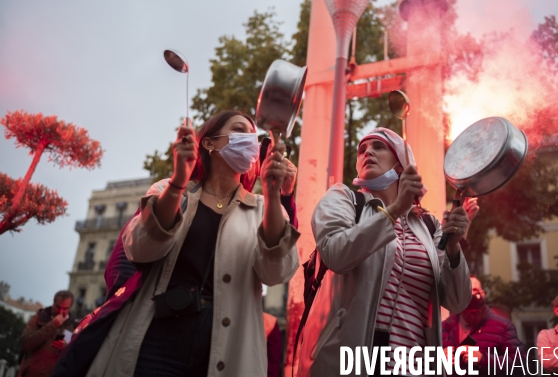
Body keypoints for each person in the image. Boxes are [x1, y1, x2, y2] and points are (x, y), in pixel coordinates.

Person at [84, 110, 299, 377]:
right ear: (208, 143)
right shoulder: (169, 190)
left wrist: (273, 192)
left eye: (254, 136)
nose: (251, 140)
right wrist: (178, 182)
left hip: (225, 343)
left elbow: (276, 273)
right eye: (240, 130)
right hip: (157, 336)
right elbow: (139, 248)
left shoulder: (263, 207)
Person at [296, 127, 472, 376]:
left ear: (401, 165)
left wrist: (453, 249)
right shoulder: (343, 198)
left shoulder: (429, 225)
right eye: (362, 149)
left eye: (378, 147)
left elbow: (457, 301)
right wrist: (395, 209)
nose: (367, 152)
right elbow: (335, 253)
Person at [442, 276, 524, 376]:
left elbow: (520, 366)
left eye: (474, 291)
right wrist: (439, 360)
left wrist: (483, 359)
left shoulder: (503, 327)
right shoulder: (444, 327)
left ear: (483, 294)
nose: (471, 295)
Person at [19, 290, 74, 377]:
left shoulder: (73, 326)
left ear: (70, 308)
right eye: (58, 307)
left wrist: (66, 347)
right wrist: (52, 325)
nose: (60, 311)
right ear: (53, 304)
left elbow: (74, 358)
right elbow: (25, 344)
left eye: (65, 308)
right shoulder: (39, 317)